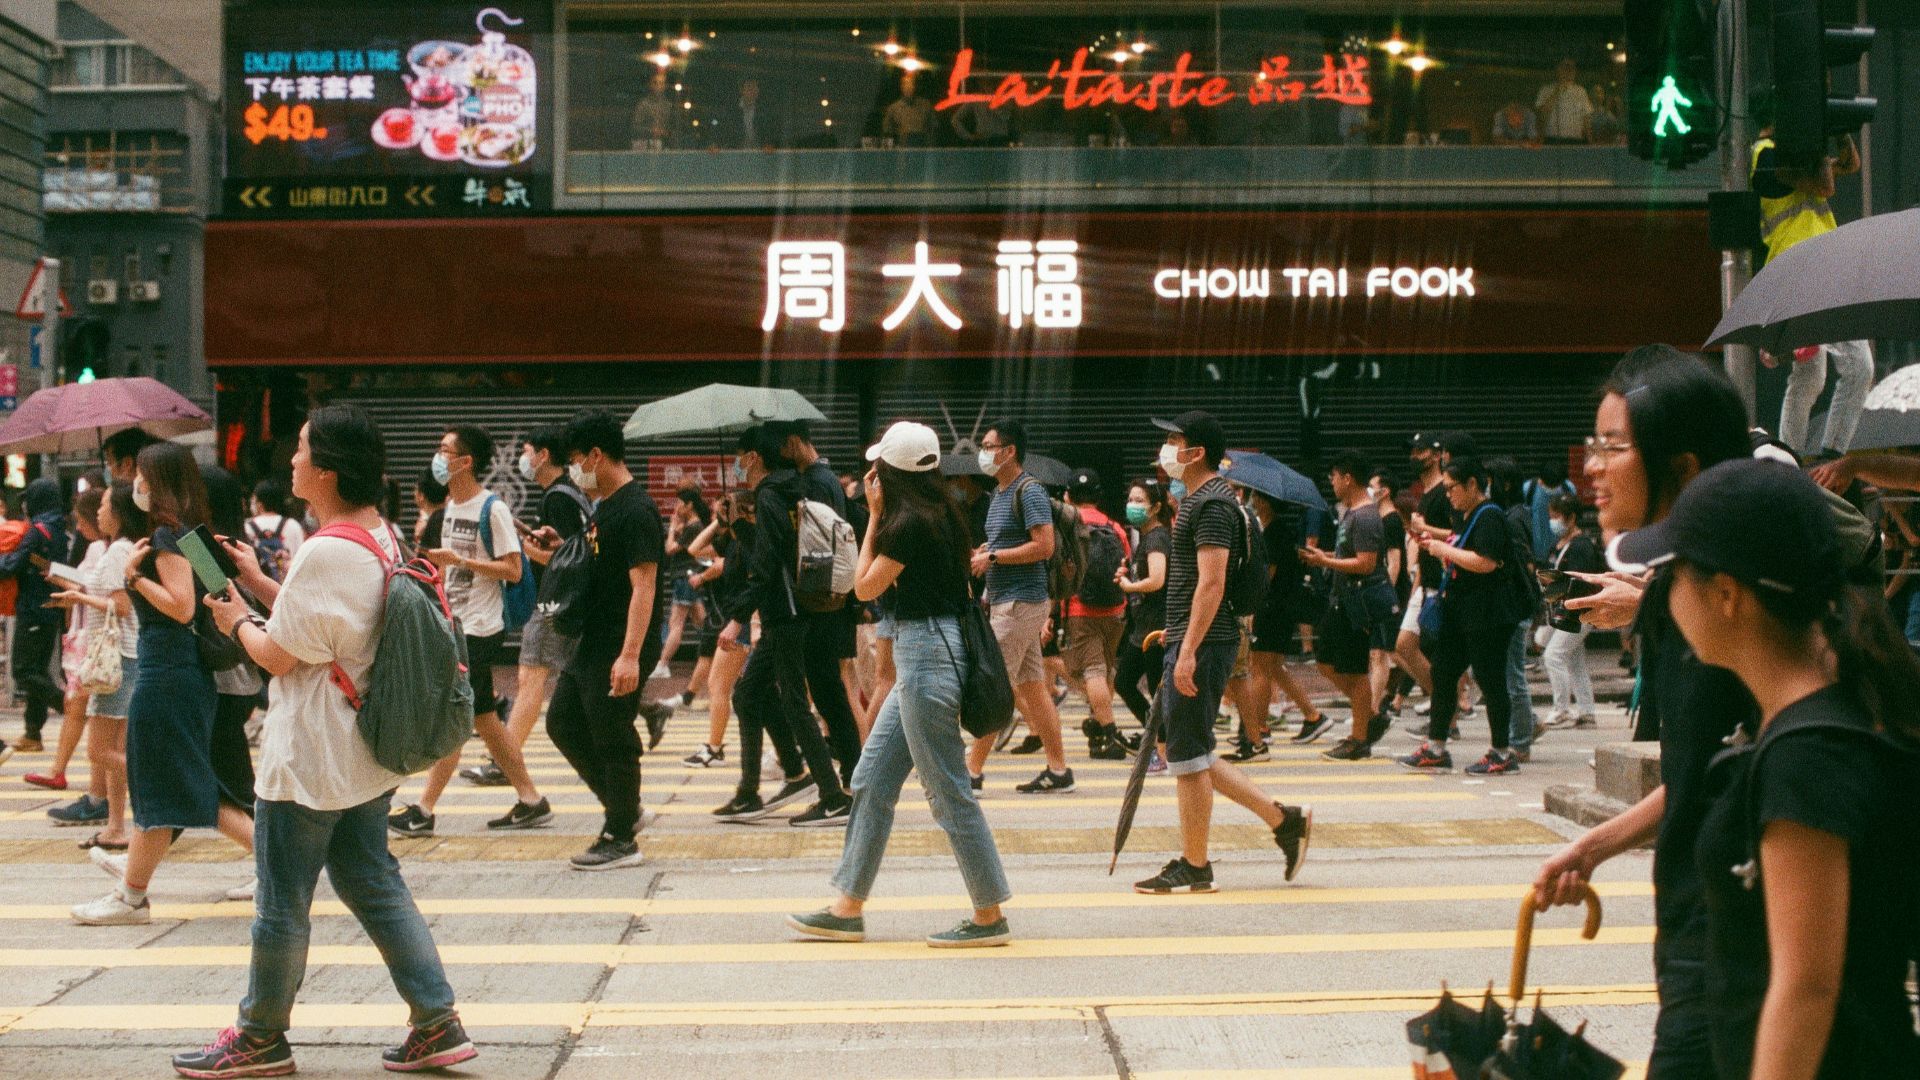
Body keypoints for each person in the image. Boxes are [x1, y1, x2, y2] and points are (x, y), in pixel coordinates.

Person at [178, 404, 477, 1077]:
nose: (292, 458)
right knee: (372, 881)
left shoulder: (323, 550)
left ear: (329, 470)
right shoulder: (383, 538)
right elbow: (332, 625)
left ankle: (260, 1036)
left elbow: (279, 656)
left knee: (281, 901)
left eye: (303, 447)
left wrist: (233, 618)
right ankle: (437, 1019)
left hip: (309, 759)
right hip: (364, 757)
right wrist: (258, 582)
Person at [1611, 458, 1920, 1079]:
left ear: (1726, 595)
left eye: (1670, 578)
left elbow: (1806, 989)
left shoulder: (1809, 752)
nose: (1661, 599)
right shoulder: (1810, 717)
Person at [1531, 347, 1759, 1079]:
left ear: (1685, 468)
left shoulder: (1740, 611)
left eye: (1615, 446)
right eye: (1594, 443)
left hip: (1738, 944)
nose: (1592, 465)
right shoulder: (1680, 596)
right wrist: (1594, 845)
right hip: (1694, 922)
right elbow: (1705, 772)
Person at [785, 422, 1015, 947]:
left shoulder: (906, 523)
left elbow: (860, 585)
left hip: (927, 655)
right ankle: (847, 906)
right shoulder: (945, 511)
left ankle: (989, 913)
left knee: (948, 792)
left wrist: (871, 516)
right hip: (931, 649)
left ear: (889, 473)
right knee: (871, 779)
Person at [73, 444, 254, 925]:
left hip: (167, 673)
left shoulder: (167, 538)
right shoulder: (193, 536)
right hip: (188, 674)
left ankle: (130, 898)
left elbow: (182, 607)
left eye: (143, 477)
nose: (136, 485)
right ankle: (132, 892)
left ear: (161, 484)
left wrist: (135, 579)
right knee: (189, 789)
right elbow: (222, 595)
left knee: (164, 786)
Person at [1132, 411, 1311, 895]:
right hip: (1197, 638)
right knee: (1191, 750)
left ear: (1197, 452)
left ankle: (1195, 865)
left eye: (1174, 440)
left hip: (1207, 643)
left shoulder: (1210, 504)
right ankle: (1283, 821)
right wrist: (1177, 634)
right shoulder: (1200, 501)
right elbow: (1196, 583)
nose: (1166, 449)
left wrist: (1188, 647)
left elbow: (1212, 583)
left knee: (1187, 756)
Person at [390, 426, 552, 837]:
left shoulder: (491, 509)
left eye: (446, 450)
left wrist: (460, 559)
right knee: (481, 718)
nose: (438, 457)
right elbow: (447, 572)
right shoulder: (449, 509)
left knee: (460, 713)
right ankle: (531, 799)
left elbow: (513, 569)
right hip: (456, 623)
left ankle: (424, 810)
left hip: (481, 627)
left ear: (466, 462)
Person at [528, 410, 663, 869]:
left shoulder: (637, 509)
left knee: (612, 734)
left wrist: (630, 656)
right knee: (563, 722)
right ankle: (624, 809)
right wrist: (557, 547)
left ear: (597, 455)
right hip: (592, 637)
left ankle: (620, 836)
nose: (573, 470)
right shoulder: (604, 506)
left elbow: (644, 587)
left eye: (576, 460)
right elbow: (592, 566)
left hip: (619, 641)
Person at [468, 426, 591, 787]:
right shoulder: (571, 493)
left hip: (555, 600)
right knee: (570, 675)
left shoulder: (557, 498)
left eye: (526, 451)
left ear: (543, 455)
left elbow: (565, 555)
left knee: (531, 675)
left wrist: (520, 551)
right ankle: (649, 709)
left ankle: (504, 761)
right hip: (569, 599)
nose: (524, 459)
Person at [1749, 100, 1871, 456]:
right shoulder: (1765, 154)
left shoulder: (1791, 155)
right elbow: (1825, 186)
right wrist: (1819, 143)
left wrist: (1839, 130)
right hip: (1800, 268)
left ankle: (1790, 456)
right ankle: (1828, 454)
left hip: (1821, 264)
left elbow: (1850, 164)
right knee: (1857, 366)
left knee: (1809, 378)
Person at [709, 429, 818, 822]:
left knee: (783, 701)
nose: (738, 463)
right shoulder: (790, 490)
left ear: (753, 457)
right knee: (751, 694)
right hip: (786, 611)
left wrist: (738, 616)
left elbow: (768, 562)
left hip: (783, 613)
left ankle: (822, 789)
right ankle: (788, 773)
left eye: (740, 456)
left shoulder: (772, 494)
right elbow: (771, 550)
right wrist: (737, 524)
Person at [1398, 457, 1525, 775]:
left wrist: (1445, 551)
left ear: (1472, 484)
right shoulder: (1467, 516)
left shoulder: (1490, 515)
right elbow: (1461, 548)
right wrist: (1437, 544)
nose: (1448, 494)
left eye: (1452, 487)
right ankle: (1436, 747)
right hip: (1462, 611)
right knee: (1442, 674)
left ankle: (1501, 752)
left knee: (1490, 678)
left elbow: (1486, 561)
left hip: (1488, 613)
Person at [966, 420, 1073, 793]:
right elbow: (1006, 544)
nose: (983, 452)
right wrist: (984, 552)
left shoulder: (1029, 492)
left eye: (988, 445)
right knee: (1032, 688)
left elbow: (1044, 547)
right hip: (1006, 600)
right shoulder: (999, 493)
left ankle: (971, 772)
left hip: (1020, 602)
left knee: (993, 684)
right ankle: (1059, 771)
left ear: (1009, 451)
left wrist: (993, 557)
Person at [764, 420, 864, 786]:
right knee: (829, 690)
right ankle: (853, 773)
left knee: (828, 692)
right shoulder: (826, 479)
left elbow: (818, 545)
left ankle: (851, 774)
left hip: (821, 601)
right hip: (829, 600)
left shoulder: (815, 483)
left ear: (792, 443)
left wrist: (816, 600)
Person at [48, 482, 144, 849]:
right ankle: (117, 826)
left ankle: (158, 785)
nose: (99, 511)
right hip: (127, 657)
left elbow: (122, 607)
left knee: (100, 751)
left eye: (104, 505)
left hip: (119, 658)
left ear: (119, 512)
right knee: (114, 745)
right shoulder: (117, 548)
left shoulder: (119, 550)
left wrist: (78, 595)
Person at [1301, 451, 1399, 760]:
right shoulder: (1352, 513)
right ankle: (1367, 716)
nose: (1331, 482)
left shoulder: (1366, 516)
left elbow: (1367, 564)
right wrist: (1326, 556)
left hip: (1357, 605)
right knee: (1326, 662)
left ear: (1348, 477)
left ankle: (1359, 739)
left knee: (1356, 672)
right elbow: (1352, 554)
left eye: (1333, 476)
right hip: (1341, 601)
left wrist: (1325, 560)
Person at [1234, 489, 1324, 761]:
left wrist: (1249, 606)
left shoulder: (1274, 534)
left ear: (1262, 500)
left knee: (1260, 667)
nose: (1251, 501)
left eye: (1253, 497)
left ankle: (1256, 735)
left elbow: (1267, 577)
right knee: (1272, 667)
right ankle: (1312, 716)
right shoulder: (1276, 530)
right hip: (1278, 608)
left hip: (1272, 608)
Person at [31, 485, 105, 790]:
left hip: (98, 641)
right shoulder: (99, 548)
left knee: (91, 714)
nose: (78, 524)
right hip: (92, 637)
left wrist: (65, 582)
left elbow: (102, 592)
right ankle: (66, 775)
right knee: (81, 708)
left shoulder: (107, 549)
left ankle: (98, 796)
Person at [1061, 468, 1135, 760]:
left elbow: (1060, 571)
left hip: (1081, 609)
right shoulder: (1114, 527)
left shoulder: (1067, 526)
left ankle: (1109, 732)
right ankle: (1098, 726)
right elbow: (1126, 563)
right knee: (1106, 670)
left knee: (1091, 672)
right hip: (1115, 610)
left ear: (1068, 496)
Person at [683, 491, 755, 768]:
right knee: (722, 685)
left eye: (728, 510)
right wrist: (717, 522)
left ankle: (714, 747)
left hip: (742, 621)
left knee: (719, 685)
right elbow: (694, 549)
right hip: (734, 620)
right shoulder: (732, 543)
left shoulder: (749, 542)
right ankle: (715, 745)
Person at [0, 478, 70, 751]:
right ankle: (32, 734)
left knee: (23, 670)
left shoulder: (36, 531)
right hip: (50, 610)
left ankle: (66, 704)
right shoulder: (59, 530)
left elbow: (12, 566)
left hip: (32, 609)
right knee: (37, 670)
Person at [1487, 455, 1540, 761]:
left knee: (1513, 677)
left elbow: (1524, 563)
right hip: (1512, 605)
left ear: (1505, 483)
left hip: (1515, 605)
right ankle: (1525, 727)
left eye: (1491, 480)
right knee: (1507, 674)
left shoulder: (1514, 517)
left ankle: (1521, 742)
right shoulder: (1512, 513)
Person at [1537, 494, 1602, 729]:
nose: (1553, 521)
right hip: (1569, 611)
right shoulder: (1562, 545)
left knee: (1553, 656)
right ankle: (1587, 712)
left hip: (1578, 612)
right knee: (1575, 662)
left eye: (1557, 517)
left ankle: (1561, 709)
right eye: (1551, 516)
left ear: (1572, 518)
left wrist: (1553, 585)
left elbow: (1579, 581)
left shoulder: (1581, 546)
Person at [1114, 479, 1171, 729]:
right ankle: (1158, 736)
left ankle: (1163, 745)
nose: (1132, 505)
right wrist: (1127, 575)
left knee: (1158, 693)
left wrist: (1130, 586)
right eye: (1130, 500)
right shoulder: (1146, 537)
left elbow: (1157, 580)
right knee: (1124, 682)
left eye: (1139, 501)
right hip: (1143, 627)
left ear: (1156, 507)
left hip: (1157, 628)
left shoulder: (1157, 538)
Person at [655, 486, 711, 680]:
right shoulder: (692, 526)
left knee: (676, 623)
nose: (677, 507)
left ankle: (663, 664)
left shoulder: (694, 527)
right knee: (702, 621)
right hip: (689, 577)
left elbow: (670, 549)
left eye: (680, 503)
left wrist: (671, 529)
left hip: (685, 578)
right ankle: (717, 652)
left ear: (690, 505)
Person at [244, 478, 305, 581]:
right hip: (288, 586)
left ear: (259, 503)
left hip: (259, 589)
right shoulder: (293, 525)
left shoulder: (246, 526)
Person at [1535, 59, 1593, 145]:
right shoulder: (1546, 90)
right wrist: (1557, 91)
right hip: (1552, 140)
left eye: (1571, 68)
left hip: (1575, 141)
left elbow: (1586, 119)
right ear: (1558, 69)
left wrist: (1590, 141)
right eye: (1565, 67)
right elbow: (1541, 114)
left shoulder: (1581, 92)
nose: (1568, 71)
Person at [882, 73, 933, 145]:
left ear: (914, 86)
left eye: (911, 84)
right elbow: (887, 132)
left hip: (922, 150)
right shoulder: (893, 108)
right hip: (901, 151)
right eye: (905, 84)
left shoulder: (925, 106)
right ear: (901, 87)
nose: (908, 87)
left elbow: (933, 128)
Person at [411, 468, 447, 549]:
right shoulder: (449, 518)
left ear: (421, 495)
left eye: (415, 489)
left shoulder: (427, 527)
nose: (413, 493)